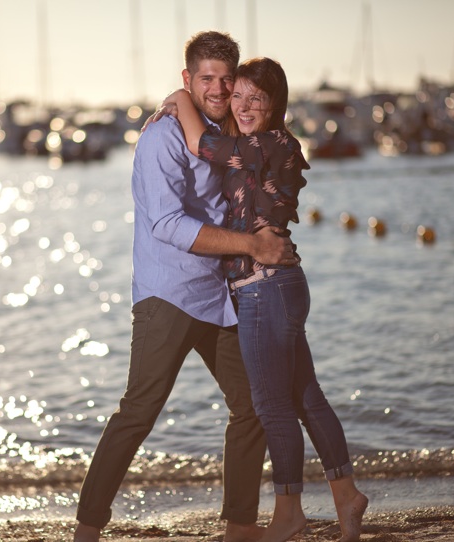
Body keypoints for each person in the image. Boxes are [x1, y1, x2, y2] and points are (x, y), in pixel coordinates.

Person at [73, 32, 299, 542]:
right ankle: (87, 530)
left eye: (226, 79)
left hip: (218, 296)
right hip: (167, 294)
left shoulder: (227, 131)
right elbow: (168, 225)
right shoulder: (162, 137)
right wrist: (253, 245)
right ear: (187, 79)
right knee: (138, 412)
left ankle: (240, 527)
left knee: (253, 404)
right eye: (206, 80)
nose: (218, 89)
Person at [150, 57, 369, 542]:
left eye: (257, 99)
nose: (245, 106)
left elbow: (201, 144)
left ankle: (289, 513)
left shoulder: (265, 143)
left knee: (272, 405)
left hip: (263, 287)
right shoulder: (269, 144)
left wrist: (181, 98)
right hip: (279, 284)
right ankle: (346, 495)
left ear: (274, 106)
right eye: (240, 96)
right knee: (305, 397)